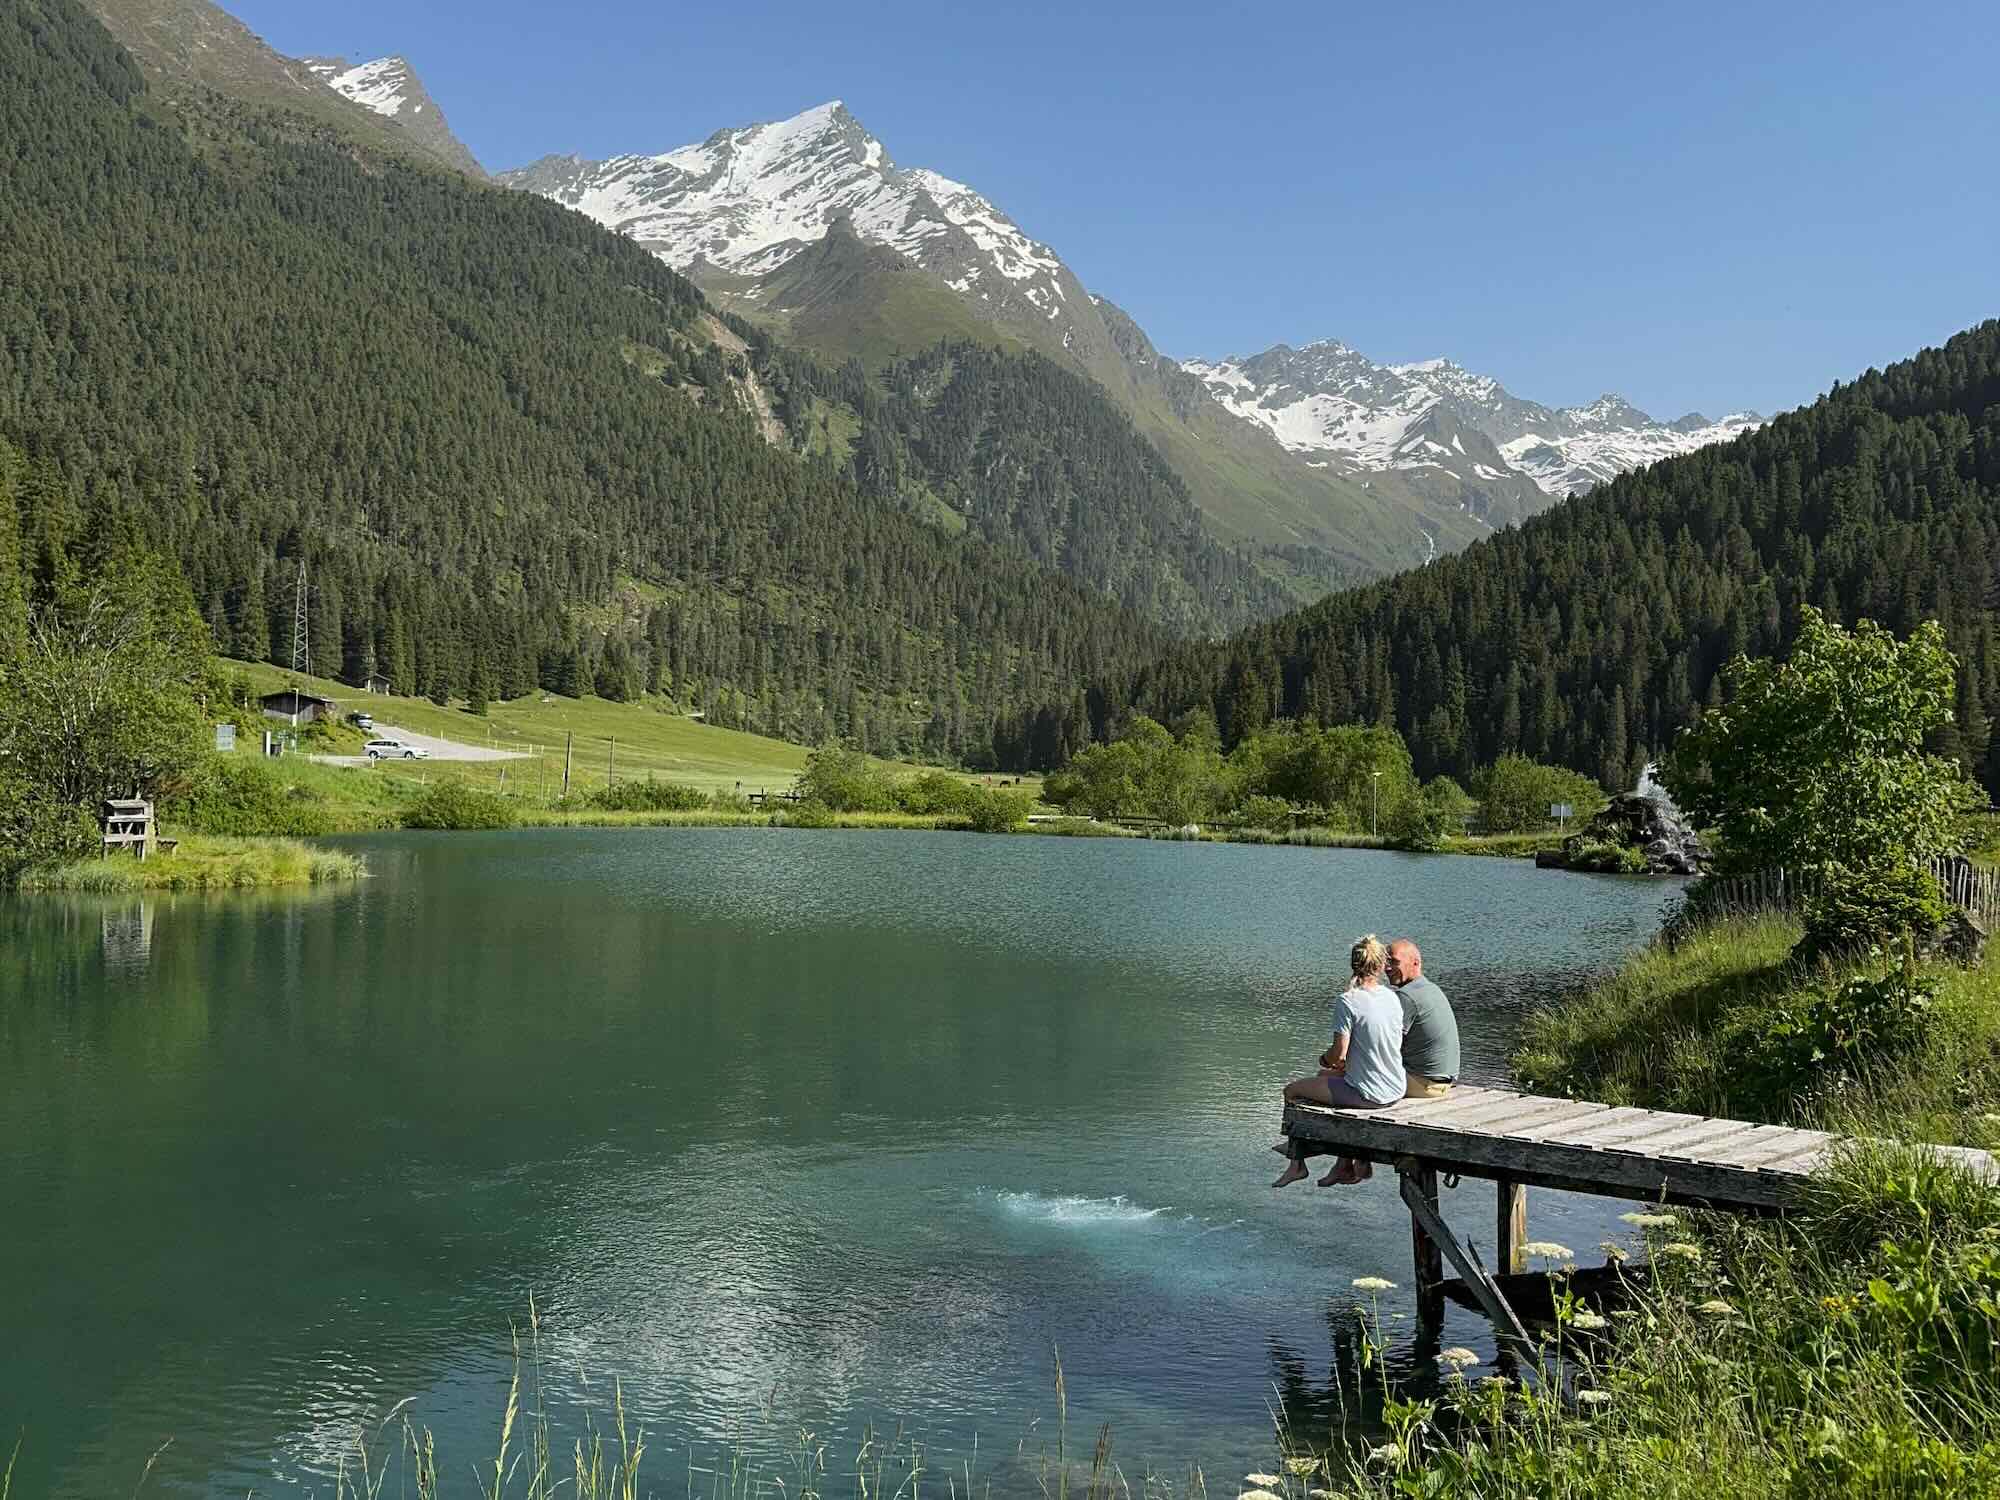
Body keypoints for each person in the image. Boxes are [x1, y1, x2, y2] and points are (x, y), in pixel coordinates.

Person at [1273, 934, 1406, 1188]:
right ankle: (1344, 1165)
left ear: (1354, 965)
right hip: (1396, 1087)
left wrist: (1325, 1059)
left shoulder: (1347, 1001)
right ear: (1380, 966)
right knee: (1322, 1079)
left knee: (1291, 1090)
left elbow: (1338, 1055)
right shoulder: (1392, 998)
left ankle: (1296, 1164)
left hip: (1371, 1094)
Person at [1388, 939, 1459, 1099]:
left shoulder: (1405, 996)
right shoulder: (1432, 989)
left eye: (1394, 962)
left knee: (1346, 1076)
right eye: (1386, 962)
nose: (1387, 967)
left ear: (1415, 963)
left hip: (1421, 1085)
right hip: (1443, 1085)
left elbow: (1386, 1044)